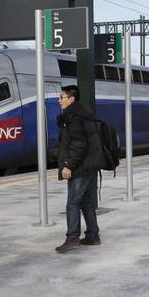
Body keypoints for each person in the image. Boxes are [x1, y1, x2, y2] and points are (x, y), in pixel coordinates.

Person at [54, 85, 104, 254]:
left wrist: (68, 165)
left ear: (71, 99)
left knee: (73, 203)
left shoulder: (73, 118)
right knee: (87, 202)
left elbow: (79, 145)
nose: (59, 100)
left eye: (62, 97)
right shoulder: (84, 114)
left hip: (81, 167)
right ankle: (92, 235)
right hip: (90, 165)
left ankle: (72, 238)